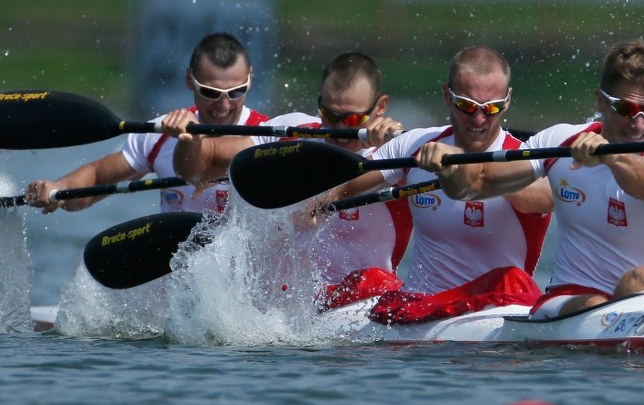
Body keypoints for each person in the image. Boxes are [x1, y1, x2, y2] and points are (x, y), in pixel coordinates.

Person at [415, 39, 644, 319]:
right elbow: (477, 184)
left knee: (643, 278)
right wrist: (450, 163)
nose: (639, 124)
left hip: (640, 299)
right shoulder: (560, 140)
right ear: (600, 100)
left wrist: (611, 156)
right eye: (626, 109)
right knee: (595, 302)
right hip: (563, 302)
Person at [167, 51, 409, 301]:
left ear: (380, 107)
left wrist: (403, 143)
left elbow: (452, 183)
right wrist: (190, 140)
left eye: (352, 119)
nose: (339, 131)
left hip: (363, 302)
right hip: (291, 308)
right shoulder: (294, 132)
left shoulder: (398, 151)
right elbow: (199, 168)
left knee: (373, 282)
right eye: (329, 116)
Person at [326, 46, 552, 296]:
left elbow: (546, 198)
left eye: (491, 108)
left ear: (507, 100)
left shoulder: (527, 160)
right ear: (447, 95)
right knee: (370, 280)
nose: (478, 119)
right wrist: (368, 147)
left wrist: (463, 163)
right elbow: (337, 192)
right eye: (466, 106)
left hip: (495, 306)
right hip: (418, 307)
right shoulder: (413, 145)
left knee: (510, 280)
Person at [25, 32, 267, 215]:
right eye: (211, 93)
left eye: (236, 92)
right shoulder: (159, 133)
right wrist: (58, 189)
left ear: (249, 80)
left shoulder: (269, 136)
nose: (224, 106)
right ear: (189, 81)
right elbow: (98, 178)